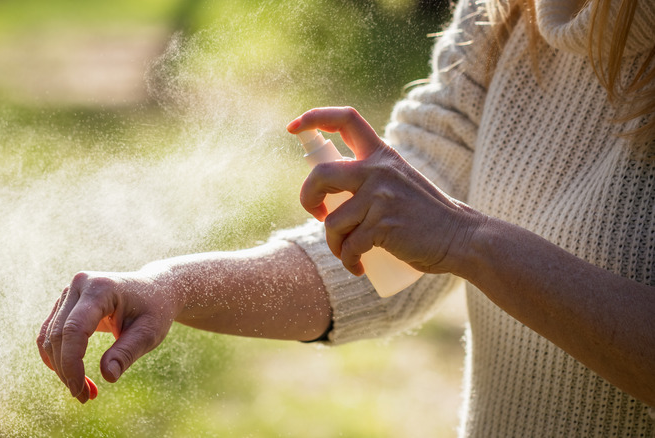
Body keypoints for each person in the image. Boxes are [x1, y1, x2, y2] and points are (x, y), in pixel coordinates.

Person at [37, 0, 655, 435]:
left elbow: (446, 235)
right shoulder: (501, 16)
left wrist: (470, 241)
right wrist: (168, 286)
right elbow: (384, 264)